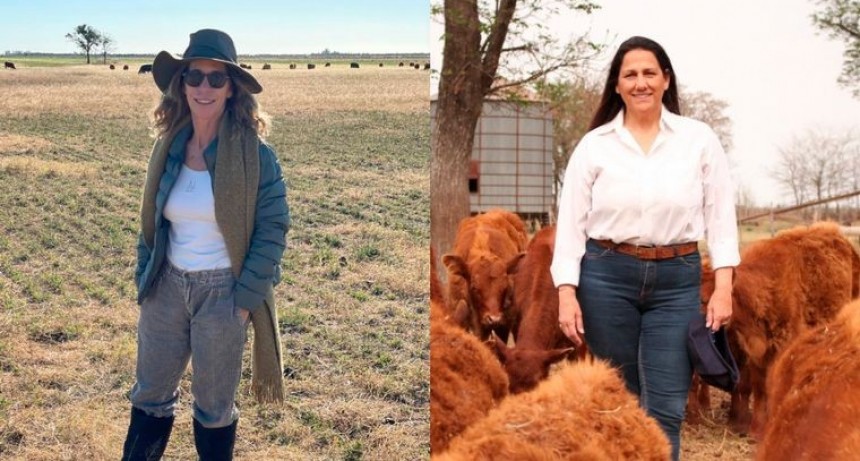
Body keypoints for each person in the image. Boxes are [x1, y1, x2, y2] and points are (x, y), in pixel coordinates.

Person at [550, 36, 739, 461]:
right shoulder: (594, 145)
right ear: (616, 85)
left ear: (666, 79)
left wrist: (724, 287)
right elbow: (571, 227)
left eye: (649, 73)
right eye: (630, 74)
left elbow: (721, 216)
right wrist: (566, 292)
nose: (641, 83)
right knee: (622, 401)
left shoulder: (698, 139)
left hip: (676, 280)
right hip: (605, 278)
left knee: (667, 406)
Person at [121, 29, 290, 460]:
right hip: (166, 288)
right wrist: (147, 275)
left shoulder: (256, 155)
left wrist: (246, 299)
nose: (204, 87)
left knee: (214, 408)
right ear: (182, 84)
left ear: (232, 89)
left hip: (223, 293)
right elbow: (151, 223)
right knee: (149, 397)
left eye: (217, 79)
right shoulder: (168, 146)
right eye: (195, 76)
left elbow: (273, 228)